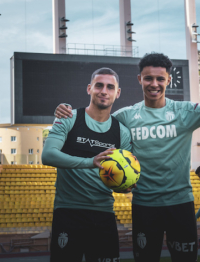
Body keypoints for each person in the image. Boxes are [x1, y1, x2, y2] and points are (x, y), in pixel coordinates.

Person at [54, 52, 200, 262]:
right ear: (140, 80)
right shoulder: (126, 116)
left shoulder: (184, 111)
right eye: (148, 78)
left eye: (160, 79)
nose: (154, 84)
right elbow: (95, 125)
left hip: (180, 204)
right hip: (144, 206)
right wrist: (67, 111)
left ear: (169, 81)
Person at [42, 67, 132, 262]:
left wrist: (125, 185)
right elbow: (48, 155)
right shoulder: (68, 117)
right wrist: (90, 162)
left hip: (104, 214)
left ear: (117, 93)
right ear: (89, 89)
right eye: (99, 85)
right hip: (68, 212)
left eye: (110, 87)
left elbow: (121, 177)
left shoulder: (121, 132)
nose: (103, 91)